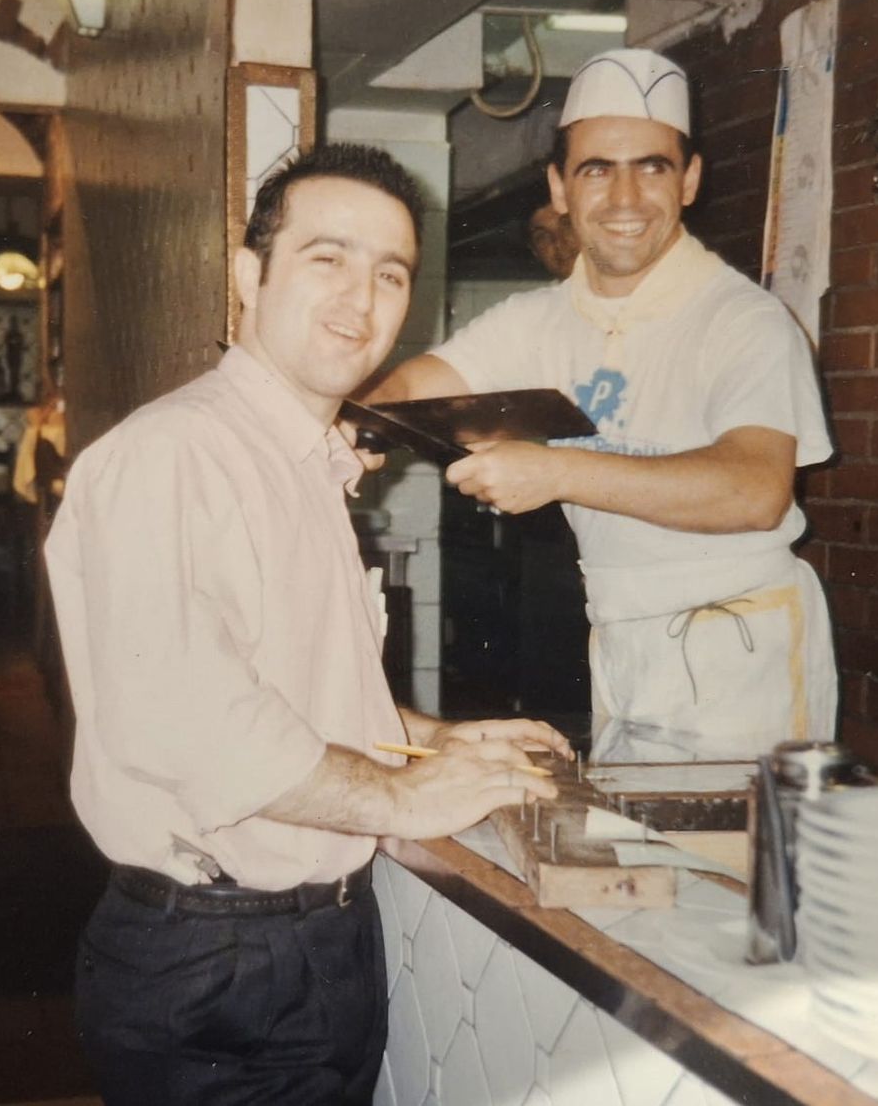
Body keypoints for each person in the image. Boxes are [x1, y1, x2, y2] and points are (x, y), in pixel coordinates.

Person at [45, 142, 570, 1106]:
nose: (359, 299)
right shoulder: (176, 453)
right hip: (217, 961)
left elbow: (292, 692)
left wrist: (433, 740)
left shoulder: (305, 463)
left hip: (308, 946)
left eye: (390, 274)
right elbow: (189, 720)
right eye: (328, 258)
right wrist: (404, 797)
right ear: (249, 276)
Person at [364, 47, 836, 763]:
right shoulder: (540, 321)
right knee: (631, 835)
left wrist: (557, 472)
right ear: (559, 187)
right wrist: (348, 426)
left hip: (742, 646)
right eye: (596, 169)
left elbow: (755, 490)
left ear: (690, 180)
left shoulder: (744, 321)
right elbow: (415, 385)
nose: (625, 198)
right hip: (621, 637)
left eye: (652, 167)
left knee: (729, 840)